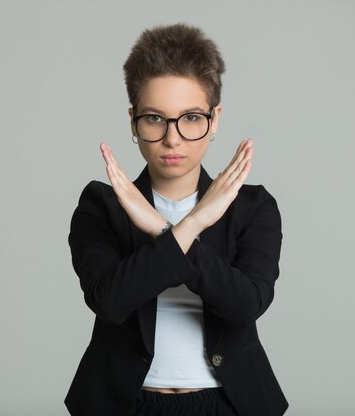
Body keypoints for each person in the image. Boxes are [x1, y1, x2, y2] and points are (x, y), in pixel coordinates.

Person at [66, 23, 288, 416]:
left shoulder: (252, 207)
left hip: (227, 403)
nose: (172, 139)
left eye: (190, 118)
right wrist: (187, 228)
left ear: (214, 119)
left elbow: (245, 304)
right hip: (126, 404)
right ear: (133, 119)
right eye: (155, 118)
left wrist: (162, 231)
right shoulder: (102, 205)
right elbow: (109, 302)